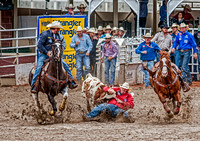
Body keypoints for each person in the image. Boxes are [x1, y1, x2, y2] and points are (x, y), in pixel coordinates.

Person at [31, 21, 77, 93]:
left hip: (55, 56)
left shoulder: (58, 36)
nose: (58, 30)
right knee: (39, 67)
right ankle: (34, 85)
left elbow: (62, 45)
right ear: (55, 28)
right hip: (44, 55)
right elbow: (39, 45)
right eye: (58, 29)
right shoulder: (45, 34)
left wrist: (59, 52)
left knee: (65, 65)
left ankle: (71, 81)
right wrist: (47, 52)